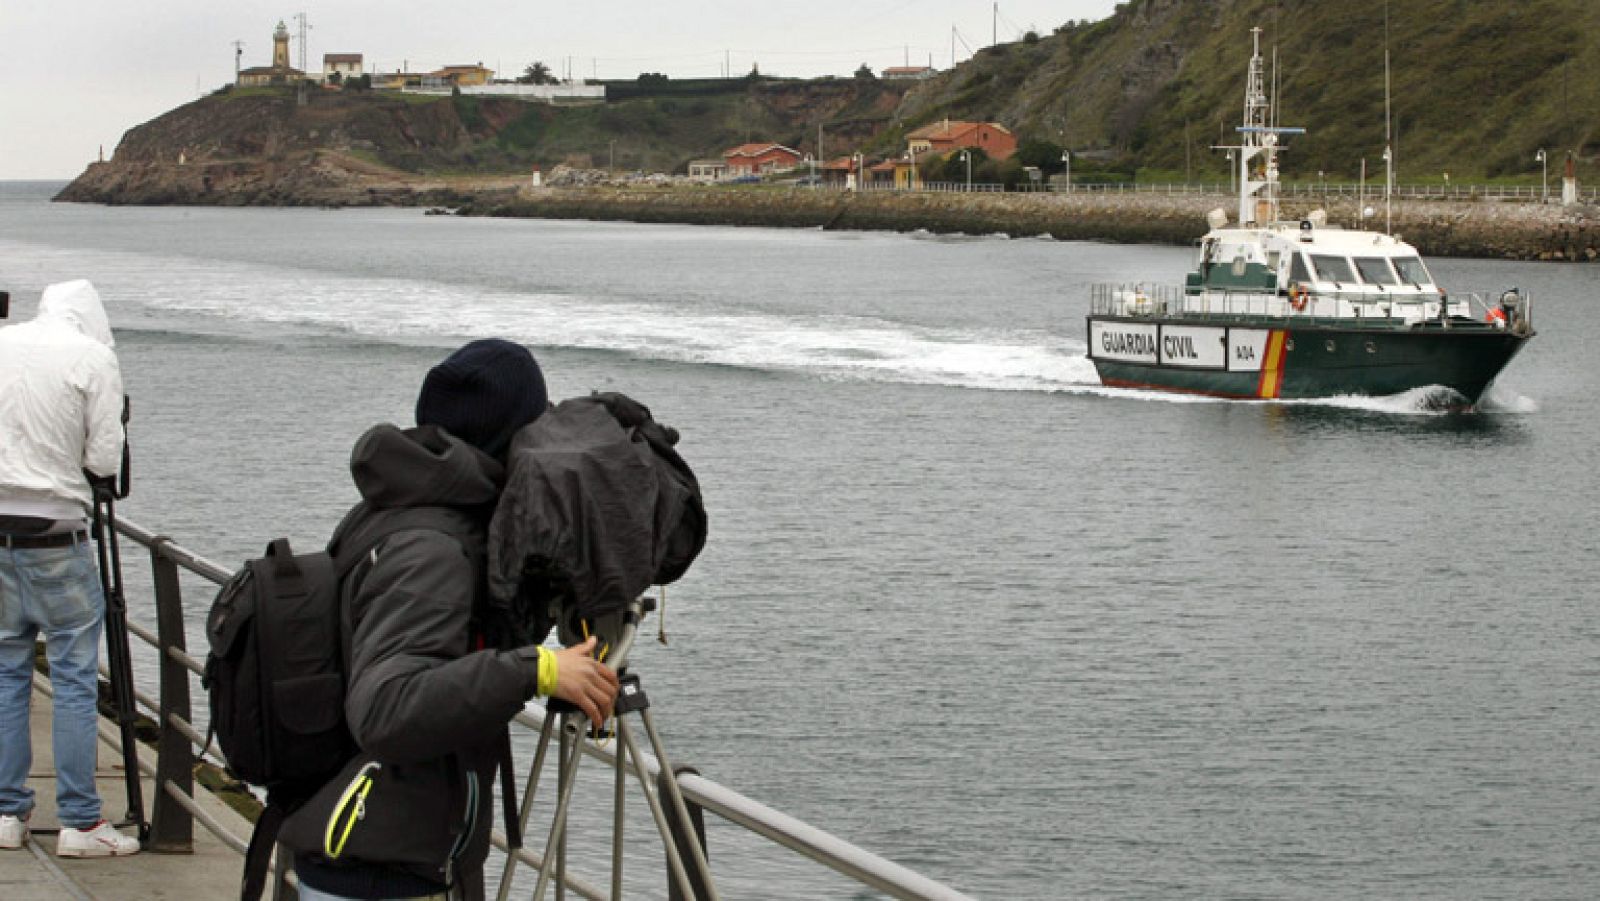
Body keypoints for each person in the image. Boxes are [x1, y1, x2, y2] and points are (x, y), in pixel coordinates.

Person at [286, 338, 619, 901]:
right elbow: (386, 708)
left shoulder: (410, 510)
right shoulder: (431, 550)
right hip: (383, 873)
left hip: (377, 849)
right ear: (512, 436)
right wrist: (535, 671)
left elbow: (454, 644)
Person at [0, 280, 140, 857]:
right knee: (76, 681)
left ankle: (6, 813)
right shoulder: (93, 356)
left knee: (8, 677)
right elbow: (104, 459)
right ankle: (80, 822)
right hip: (57, 535)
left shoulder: (5, 342)